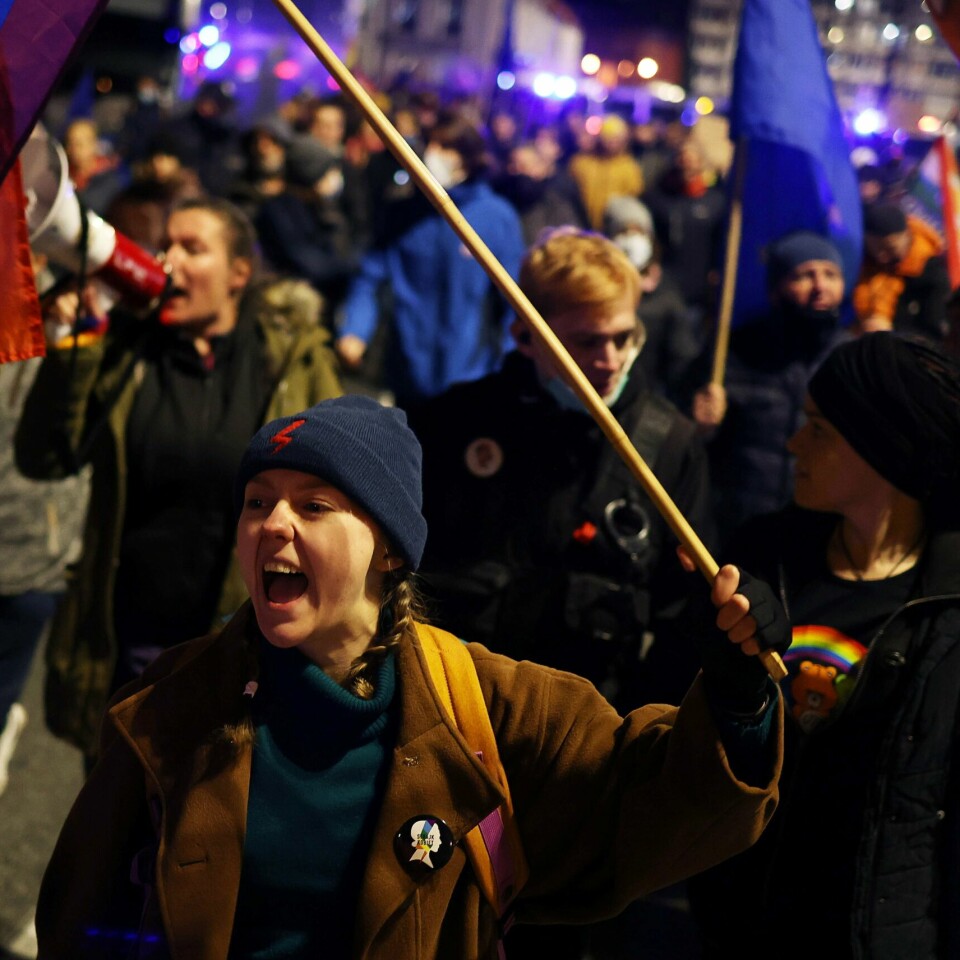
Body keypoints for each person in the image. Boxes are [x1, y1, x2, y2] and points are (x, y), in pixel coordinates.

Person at [37, 394, 789, 959]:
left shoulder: (492, 705)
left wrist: (735, 691)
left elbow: (655, 796)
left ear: (390, 549)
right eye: (258, 503)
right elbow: (82, 918)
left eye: (315, 505)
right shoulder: (173, 701)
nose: (273, 524)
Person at [15, 197, 341, 762]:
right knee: (117, 819)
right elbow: (46, 456)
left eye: (194, 248)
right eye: (166, 246)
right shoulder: (127, 348)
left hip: (241, 643)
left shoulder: (289, 358)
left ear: (239, 273)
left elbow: (334, 488)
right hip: (134, 637)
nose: (170, 262)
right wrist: (81, 346)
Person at [689, 333, 960, 959]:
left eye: (818, 429)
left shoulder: (948, 604)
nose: (792, 443)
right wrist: (730, 669)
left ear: (883, 449)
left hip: (875, 933)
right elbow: (695, 746)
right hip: (745, 923)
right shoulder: (763, 556)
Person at [411, 230, 715, 711]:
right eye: (587, 340)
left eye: (624, 337)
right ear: (525, 336)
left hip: (598, 720)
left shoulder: (669, 445)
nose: (611, 361)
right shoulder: (458, 422)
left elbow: (682, 614)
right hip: (464, 705)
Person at [337, 113, 523, 406]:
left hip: (470, 375)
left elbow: (514, 301)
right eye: (431, 146)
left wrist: (509, 362)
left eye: (447, 148)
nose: (435, 156)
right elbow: (369, 277)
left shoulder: (496, 218)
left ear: (469, 157)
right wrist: (355, 329)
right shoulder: (404, 212)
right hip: (408, 368)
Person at [693, 230, 850, 544]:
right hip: (739, 524)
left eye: (830, 274)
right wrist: (700, 424)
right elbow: (685, 432)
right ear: (776, 288)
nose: (820, 287)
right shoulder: (733, 350)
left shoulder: (852, 357)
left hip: (820, 526)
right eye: (804, 275)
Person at [853, 201, 950, 345]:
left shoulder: (931, 274)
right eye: (875, 248)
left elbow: (933, 329)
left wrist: (890, 335)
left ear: (906, 236)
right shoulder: (864, 260)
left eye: (890, 248)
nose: (881, 257)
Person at [568, 113, 644, 231]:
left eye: (616, 139)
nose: (612, 143)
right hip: (581, 223)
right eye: (608, 138)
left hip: (613, 227)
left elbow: (632, 196)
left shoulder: (629, 167)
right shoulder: (581, 163)